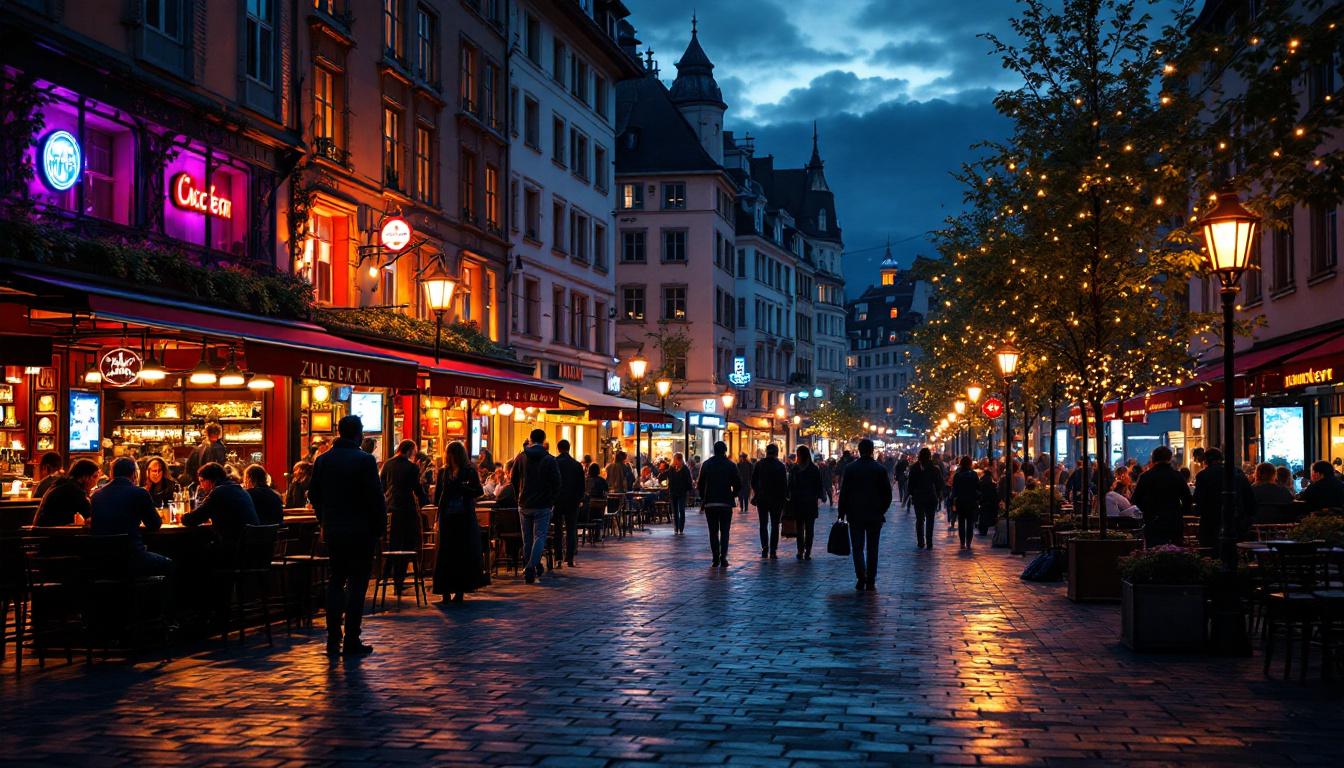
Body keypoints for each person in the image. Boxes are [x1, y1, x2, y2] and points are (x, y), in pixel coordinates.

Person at [307, 415, 386, 657]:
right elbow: (375, 497)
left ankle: (333, 638)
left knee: (335, 581)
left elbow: (314, 494)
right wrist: (379, 528)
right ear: (358, 434)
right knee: (357, 583)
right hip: (361, 531)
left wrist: (324, 519)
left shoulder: (323, 460)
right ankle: (352, 638)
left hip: (334, 531)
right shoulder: (365, 460)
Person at [88, 457, 172, 576]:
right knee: (169, 564)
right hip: (132, 558)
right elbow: (155, 524)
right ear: (134, 474)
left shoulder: (96, 495)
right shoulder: (140, 493)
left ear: (112, 474)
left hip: (102, 560)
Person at [433, 440, 487, 603]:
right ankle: (445, 591)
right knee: (445, 553)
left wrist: (463, 488)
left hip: (463, 517)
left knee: (461, 553)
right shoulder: (444, 472)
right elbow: (438, 496)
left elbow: (478, 491)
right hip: (447, 516)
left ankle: (459, 591)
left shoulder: (469, 471)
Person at [838, 439, 892, 591]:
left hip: (855, 514)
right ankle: (871, 579)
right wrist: (881, 510)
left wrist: (842, 512)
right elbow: (887, 494)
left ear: (859, 450)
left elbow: (844, 492)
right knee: (873, 548)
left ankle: (861, 576)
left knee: (857, 547)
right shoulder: (880, 469)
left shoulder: (850, 469)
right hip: (874, 515)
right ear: (872, 450)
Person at [511, 428, 560, 584]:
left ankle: (529, 567)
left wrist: (518, 496)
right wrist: (551, 500)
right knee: (539, 537)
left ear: (530, 439)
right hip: (543, 504)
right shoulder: (549, 459)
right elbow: (557, 482)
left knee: (527, 539)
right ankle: (531, 567)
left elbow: (513, 479)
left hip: (524, 503)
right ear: (544, 440)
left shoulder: (521, 457)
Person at [380, 439, 429, 593]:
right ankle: (399, 581)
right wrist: (426, 502)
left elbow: (381, 487)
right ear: (409, 451)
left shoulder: (387, 464)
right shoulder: (411, 467)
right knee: (408, 545)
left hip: (391, 508)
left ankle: (386, 576)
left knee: (393, 545)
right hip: (407, 509)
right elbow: (417, 489)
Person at [182, 462, 260, 557]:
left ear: (210, 480)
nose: (201, 485)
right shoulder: (241, 490)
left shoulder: (218, 492)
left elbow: (193, 519)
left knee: (190, 549)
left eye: (202, 481)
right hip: (252, 550)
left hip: (233, 551)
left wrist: (183, 517)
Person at [1130, 445, 1193, 546]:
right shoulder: (1177, 476)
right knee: (1174, 550)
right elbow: (1188, 499)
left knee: (1153, 550)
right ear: (1170, 458)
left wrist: (1147, 510)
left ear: (1153, 459)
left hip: (1153, 521)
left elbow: (1135, 499)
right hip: (1174, 521)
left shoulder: (1145, 476)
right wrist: (1179, 512)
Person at [1192, 448, 1256, 548]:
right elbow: (1249, 497)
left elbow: (1198, 499)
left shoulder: (1203, 475)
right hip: (1235, 520)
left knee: (1210, 550)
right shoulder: (1238, 472)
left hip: (1210, 522)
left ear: (1206, 460)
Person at [696, 441, 740, 567]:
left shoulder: (706, 464)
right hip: (725, 503)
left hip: (710, 503)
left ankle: (715, 557)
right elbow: (738, 484)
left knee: (713, 531)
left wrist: (703, 497)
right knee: (725, 531)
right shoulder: (731, 465)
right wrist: (732, 495)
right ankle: (723, 557)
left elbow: (700, 484)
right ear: (725, 450)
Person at [750, 444, 789, 560]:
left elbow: (753, 481)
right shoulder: (780, 466)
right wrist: (784, 498)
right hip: (776, 499)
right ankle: (773, 550)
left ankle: (764, 547)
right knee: (775, 525)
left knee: (763, 524)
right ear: (776, 453)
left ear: (766, 452)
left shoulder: (759, 464)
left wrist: (757, 492)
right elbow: (784, 484)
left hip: (762, 498)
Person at [33, 458, 99, 527]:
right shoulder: (75, 490)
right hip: (50, 532)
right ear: (85, 477)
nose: (96, 480)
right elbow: (91, 515)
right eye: (95, 476)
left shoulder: (63, 483)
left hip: (41, 529)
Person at [553, 438, 586, 566]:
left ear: (558, 449)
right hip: (572, 501)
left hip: (557, 501)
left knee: (557, 529)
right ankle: (570, 557)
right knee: (571, 529)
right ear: (569, 448)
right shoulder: (576, 465)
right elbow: (581, 485)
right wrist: (579, 499)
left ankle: (558, 558)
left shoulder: (554, 462)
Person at [787, 446, 824, 559]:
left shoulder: (798, 469)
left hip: (804, 502)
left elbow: (790, 485)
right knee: (804, 529)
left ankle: (804, 551)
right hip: (805, 502)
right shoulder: (811, 469)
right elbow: (818, 485)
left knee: (805, 529)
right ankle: (803, 551)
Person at [905, 448, 943, 549]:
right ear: (929, 456)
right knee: (930, 520)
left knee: (919, 520)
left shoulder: (914, 468)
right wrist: (939, 495)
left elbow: (910, 484)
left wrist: (912, 494)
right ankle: (929, 542)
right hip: (931, 497)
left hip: (918, 497)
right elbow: (939, 484)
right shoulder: (934, 468)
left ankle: (920, 541)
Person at [950, 456, 980, 549]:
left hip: (960, 501)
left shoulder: (957, 475)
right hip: (971, 501)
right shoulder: (974, 474)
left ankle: (962, 543)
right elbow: (978, 487)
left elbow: (954, 489)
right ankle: (968, 543)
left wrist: (953, 501)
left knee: (961, 522)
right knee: (970, 523)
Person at [662, 452, 693, 535]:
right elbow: (664, 477)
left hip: (682, 493)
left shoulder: (685, 469)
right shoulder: (671, 468)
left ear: (680, 459)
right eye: (675, 459)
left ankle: (681, 528)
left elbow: (689, 481)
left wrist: (688, 491)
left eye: (677, 459)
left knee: (681, 510)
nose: (676, 461)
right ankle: (676, 528)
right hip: (673, 492)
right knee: (675, 511)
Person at [977, 463, 999, 536]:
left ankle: (982, 529)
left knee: (983, 516)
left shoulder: (981, 481)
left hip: (983, 501)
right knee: (987, 515)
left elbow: (978, 491)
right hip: (989, 502)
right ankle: (984, 528)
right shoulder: (992, 483)